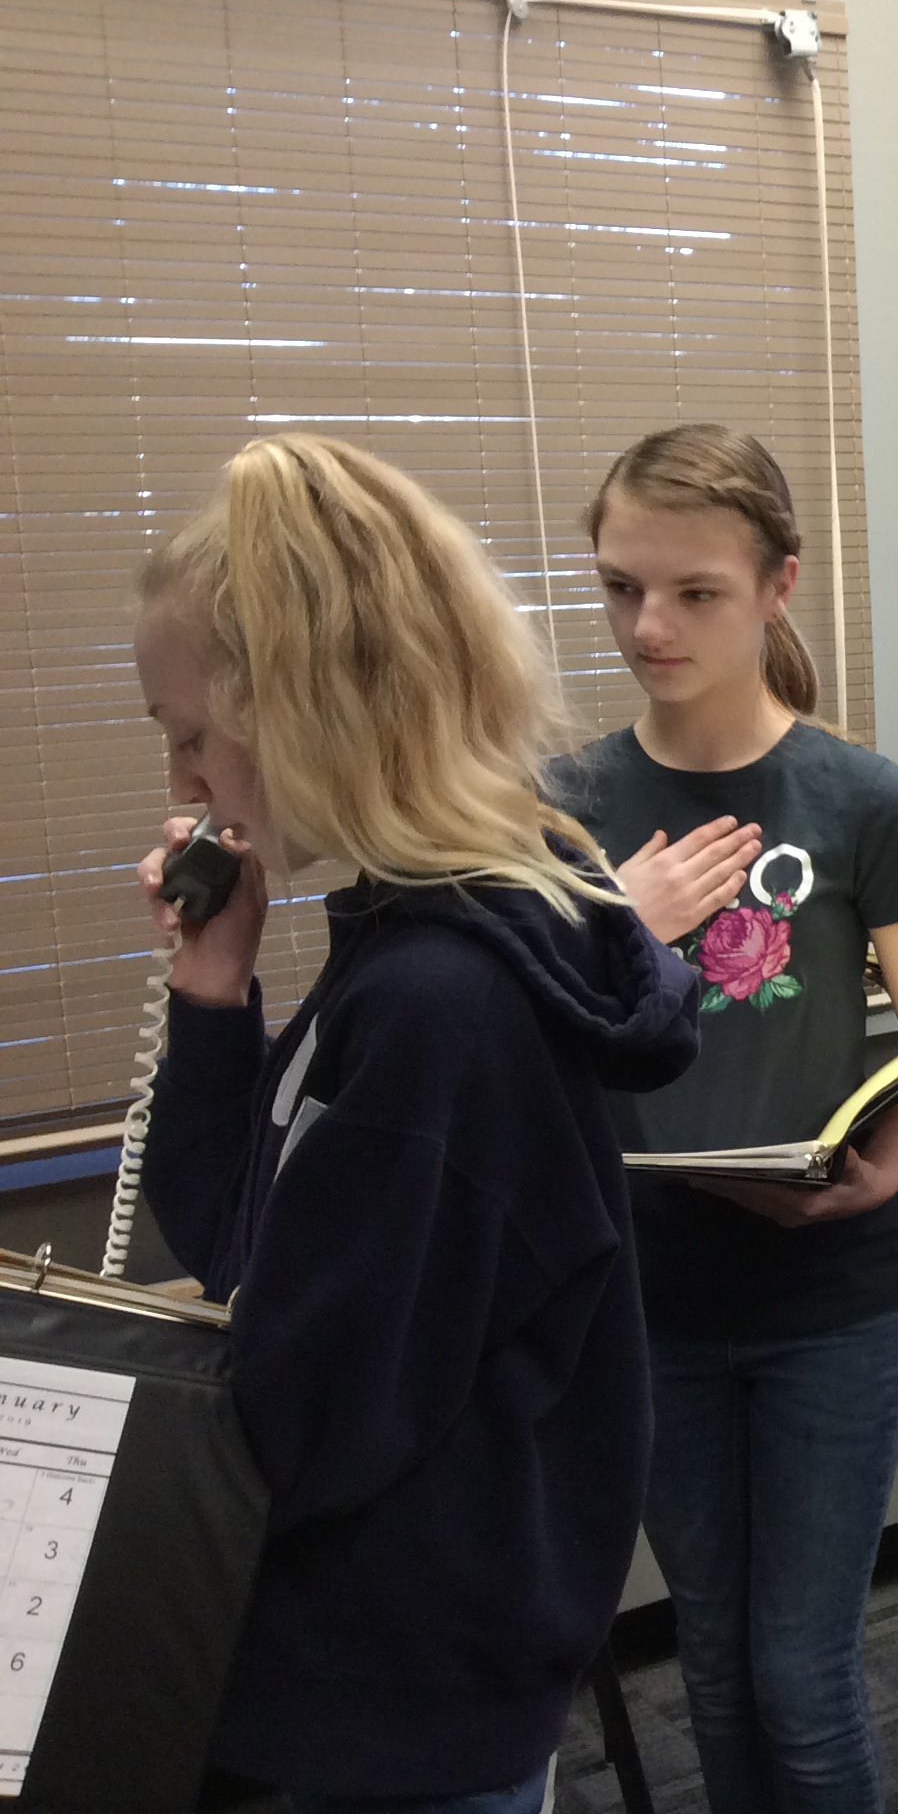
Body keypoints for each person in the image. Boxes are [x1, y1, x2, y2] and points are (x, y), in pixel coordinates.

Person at [130, 435, 700, 1814]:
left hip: (393, 1715)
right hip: (381, 1679)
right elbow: (233, 1247)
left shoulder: (440, 1012)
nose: (187, 783)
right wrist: (213, 998)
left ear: (297, 714)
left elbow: (300, 1414)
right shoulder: (390, 955)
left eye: (192, 737)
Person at [553, 425, 898, 1813]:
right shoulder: (567, 806)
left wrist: (879, 1176)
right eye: (620, 590)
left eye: (692, 593)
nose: (647, 626)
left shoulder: (858, 797)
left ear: (779, 585)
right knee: (716, 1667)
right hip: (650, 1291)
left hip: (832, 1295)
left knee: (802, 1671)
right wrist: (618, 925)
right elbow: (533, 1051)